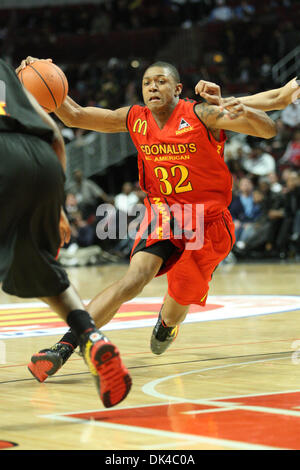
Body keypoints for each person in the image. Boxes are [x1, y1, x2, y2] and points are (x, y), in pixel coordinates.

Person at [20, 56, 295, 383]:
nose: (152, 86)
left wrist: (242, 109)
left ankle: (168, 323)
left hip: (207, 223)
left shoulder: (201, 114)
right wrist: (35, 80)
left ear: (178, 89)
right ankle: (64, 346)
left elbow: (268, 128)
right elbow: (73, 114)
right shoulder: (136, 119)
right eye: (147, 82)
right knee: (134, 279)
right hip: (164, 213)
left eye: (161, 81)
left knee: (176, 304)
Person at [0, 58, 131, 408]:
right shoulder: (11, 82)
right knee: (41, 270)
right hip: (41, 162)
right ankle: (91, 337)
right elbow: (56, 135)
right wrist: (57, 206)